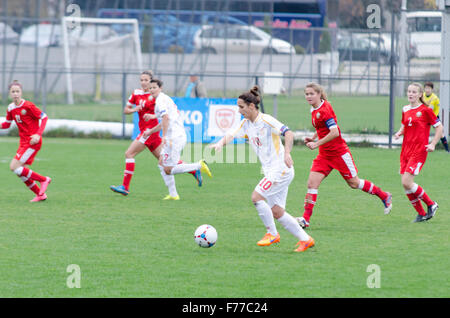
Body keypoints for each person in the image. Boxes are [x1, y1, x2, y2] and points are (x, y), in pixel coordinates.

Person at [209, 86, 314, 253]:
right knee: (277, 212)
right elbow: (231, 134)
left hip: (280, 169)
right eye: (238, 107)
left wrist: (287, 153)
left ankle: (272, 234)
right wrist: (220, 144)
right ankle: (305, 239)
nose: (239, 111)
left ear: (251, 106)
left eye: (241, 107)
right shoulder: (246, 124)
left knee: (256, 197)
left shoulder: (266, 120)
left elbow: (289, 133)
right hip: (271, 171)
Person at [297, 82, 392, 228]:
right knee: (312, 183)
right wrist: (314, 137)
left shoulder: (325, 109)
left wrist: (316, 144)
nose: (308, 96)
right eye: (306, 94)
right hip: (324, 155)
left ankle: (384, 195)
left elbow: (335, 132)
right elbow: (323, 127)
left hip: (339, 154)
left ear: (319, 94)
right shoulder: (314, 109)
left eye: (311, 94)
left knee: (354, 183)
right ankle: (305, 219)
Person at [110, 71, 200, 196]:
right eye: (141, 80)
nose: (143, 82)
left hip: (149, 132)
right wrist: (134, 109)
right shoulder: (136, 93)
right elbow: (126, 110)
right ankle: (192, 171)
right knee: (164, 163)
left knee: (129, 153)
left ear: (152, 82)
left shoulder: (155, 97)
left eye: (146, 80)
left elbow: (163, 115)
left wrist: (156, 127)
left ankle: (125, 186)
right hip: (146, 132)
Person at [142, 78, 212, 200]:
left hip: (174, 137)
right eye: (150, 88)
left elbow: (166, 119)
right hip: (175, 136)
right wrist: (150, 131)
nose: (152, 90)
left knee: (169, 169)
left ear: (160, 88)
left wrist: (163, 136)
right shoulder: (163, 99)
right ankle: (173, 194)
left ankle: (198, 166)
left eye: (154, 87)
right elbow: (164, 121)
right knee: (161, 163)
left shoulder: (160, 101)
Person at [394, 82, 442, 222]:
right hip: (405, 151)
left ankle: (431, 204)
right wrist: (399, 133)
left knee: (407, 181)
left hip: (419, 150)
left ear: (420, 94)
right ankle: (421, 214)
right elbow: (405, 125)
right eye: (409, 91)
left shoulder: (426, 110)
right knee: (405, 184)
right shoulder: (405, 109)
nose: (411, 94)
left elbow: (439, 128)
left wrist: (433, 144)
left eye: (414, 92)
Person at [0, 80, 51, 202]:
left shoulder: (28, 106)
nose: (15, 94)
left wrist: (38, 135)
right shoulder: (11, 108)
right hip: (23, 143)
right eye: (13, 91)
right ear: (10, 94)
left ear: (21, 92)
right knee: (20, 172)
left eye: (17, 91)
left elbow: (44, 117)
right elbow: (7, 124)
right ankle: (40, 194)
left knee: (14, 167)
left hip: (32, 142)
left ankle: (44, 180)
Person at [422, 81, 449, 152]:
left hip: (434, 117)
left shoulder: (434, 98)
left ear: (432, 89)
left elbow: (430, 109)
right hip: (425, 117)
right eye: (426, 88)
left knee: (440, 133)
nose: (427, 90)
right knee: (421, 132)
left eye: (429, 88)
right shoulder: (422, 95)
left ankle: (447, 149)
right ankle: (423, 147)